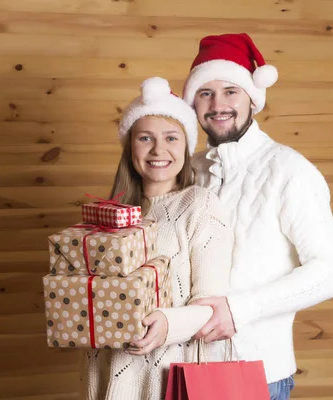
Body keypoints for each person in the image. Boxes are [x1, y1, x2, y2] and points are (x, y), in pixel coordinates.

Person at [180, 33, 333, 399]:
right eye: (205, 93)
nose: (218, 104)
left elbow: (332, 273)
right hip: (182, 368)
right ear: (193, 103)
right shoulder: (189, 171)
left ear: (253, 99)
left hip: (257, 374)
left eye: (231, 91)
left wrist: (237, 310)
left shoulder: (289, 170)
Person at [80, 77, 233, 399]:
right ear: (130, 147)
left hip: (165, 377)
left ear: (187, 147)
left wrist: (167, 322)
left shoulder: (200, 205)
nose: (158, 150)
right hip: (105, 370)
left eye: (171, 138)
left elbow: (212, 306)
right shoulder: (112, 215)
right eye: (145, 138)